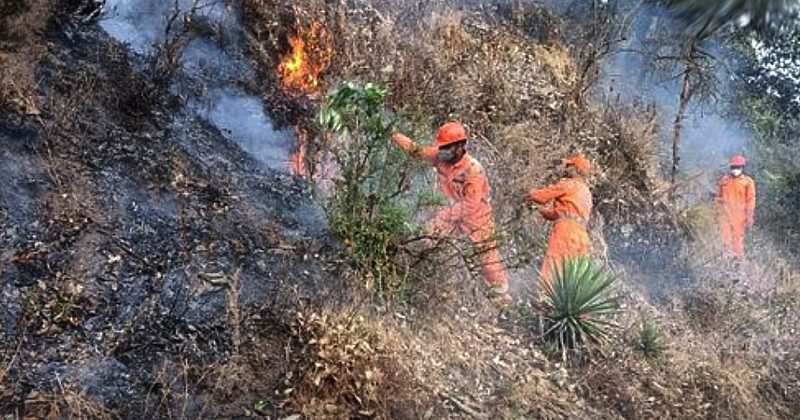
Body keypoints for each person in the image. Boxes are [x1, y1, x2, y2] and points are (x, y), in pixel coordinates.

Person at [392, 122, 510, 302]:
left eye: (447, 147)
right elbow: (416, 151)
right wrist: (393, 134)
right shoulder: (440, 156)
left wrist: (442, 216)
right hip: (451, 213)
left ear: (460, 146)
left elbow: (470, 205)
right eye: (442, 147)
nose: (443, 151)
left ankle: (501, 297)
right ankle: (430, 279)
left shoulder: (473, 170)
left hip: (476, 218)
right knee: (428, 238)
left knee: (488, 259)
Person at [526, 154, 593, 287]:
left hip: (566, 232)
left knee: (553, 267)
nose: (566, 168)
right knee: (571, 278)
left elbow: (541, 197)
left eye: (569, 166)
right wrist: (540, 210)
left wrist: (528, 193)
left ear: (576, 169)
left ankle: (544, 295)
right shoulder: (586, 192)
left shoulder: (569, 184)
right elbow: (560, 214)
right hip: (582, 237)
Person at [715, 154, 756, 261]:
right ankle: (726, 262)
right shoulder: (724, 181)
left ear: (742, 167)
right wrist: (717, 210)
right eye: (733, 167)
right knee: (726, 239)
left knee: (738, 240)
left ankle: (738, 262)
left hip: (739, 217)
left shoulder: (747, 182)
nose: (735, 169)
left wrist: (749, 216)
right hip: (725, 215)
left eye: (737, 167)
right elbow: (718, 197)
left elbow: (751, 200)